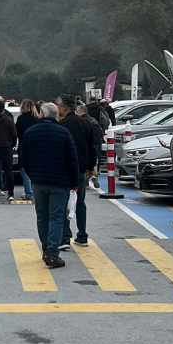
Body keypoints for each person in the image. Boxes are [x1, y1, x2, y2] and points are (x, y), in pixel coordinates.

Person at [19, 101, 79, 269]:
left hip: (38, 182)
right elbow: (72, 160)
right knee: (56, 217)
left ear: (42, 114)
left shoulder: (30, 132)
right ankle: (52, 253)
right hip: (59, 183)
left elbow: (24, 158)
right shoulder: (64, 132)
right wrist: (74, 183)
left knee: (42, 216)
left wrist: (33, 175)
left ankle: (46, 249)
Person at [56, 95, 96, 249]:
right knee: (80, 202)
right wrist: (90, 167)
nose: (58, 108)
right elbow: (92, 147)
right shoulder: (85, 123)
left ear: (64, 107)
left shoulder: (62, 125)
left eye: (58, 105)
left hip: (66, 169)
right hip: (81, 168)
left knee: (64, 202)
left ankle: (65, 237)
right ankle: (82, 235)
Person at [76, 103, 104, 190]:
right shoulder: (94, 120)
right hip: (95, 144)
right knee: (93, 160)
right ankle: (94, 176)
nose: (76, 113)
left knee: (83, 162)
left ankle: (86, 181)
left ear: (81, 112)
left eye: (77, 111)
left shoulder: (81, 122)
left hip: (84, 145)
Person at [15, 99, 38, 202]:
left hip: (24, 146)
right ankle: (36, 193)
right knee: (35, 171)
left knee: (24, 171)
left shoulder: (20, 118)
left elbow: (17, 133)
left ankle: (29, 194)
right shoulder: (36, 118)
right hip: (36, 147)